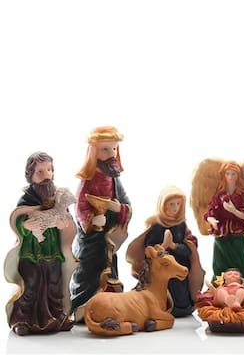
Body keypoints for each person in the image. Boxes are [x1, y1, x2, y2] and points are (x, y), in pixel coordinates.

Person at [5, 152, 76, 335]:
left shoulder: (57, 197)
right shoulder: (27, 199)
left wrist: (63, 224)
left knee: (54, 283)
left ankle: (57, 315)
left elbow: (67, 219)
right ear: (31, 175)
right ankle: (22, 319)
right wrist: (25, 225)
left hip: (52, 250)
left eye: (49, 170)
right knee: (31, 284)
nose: (47, 175)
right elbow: (17, 218)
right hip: (31, 251)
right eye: (40, 172)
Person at [70, 126, 132, 318]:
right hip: (92, 239)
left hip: (109, 238)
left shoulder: (114, 179)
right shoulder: (88, 180)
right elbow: (80, 206)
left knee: (109, 268)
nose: (111, 154)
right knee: (90, 270)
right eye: (105, 149)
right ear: (94, 151)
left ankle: (109, 305)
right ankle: (84, 305)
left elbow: (126, 203)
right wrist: (92, 219)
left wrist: (119, 209)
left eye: (114, 149)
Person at [126, 186, 204, 317]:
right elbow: (148, 249)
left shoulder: (181, 226)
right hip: (161, 266)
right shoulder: (155, 225)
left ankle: (181, 306)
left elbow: (189, 250)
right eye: (171, 204)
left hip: (178, 265)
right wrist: (162, 248)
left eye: (178, 204)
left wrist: (174, 246)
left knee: (180, 291)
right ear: (163, 205)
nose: (175, 208)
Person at [204, 161, 244, 290]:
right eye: (227, 174)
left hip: (238, 229)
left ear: (238, 175)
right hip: (221, 229)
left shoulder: (242, 193)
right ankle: (219, 282)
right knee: (220, 256)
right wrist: (212, 220)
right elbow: (211, 210)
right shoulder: (220, 193)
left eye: (233, 174)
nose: (230, 177)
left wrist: (234, 210)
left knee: (241, 255)